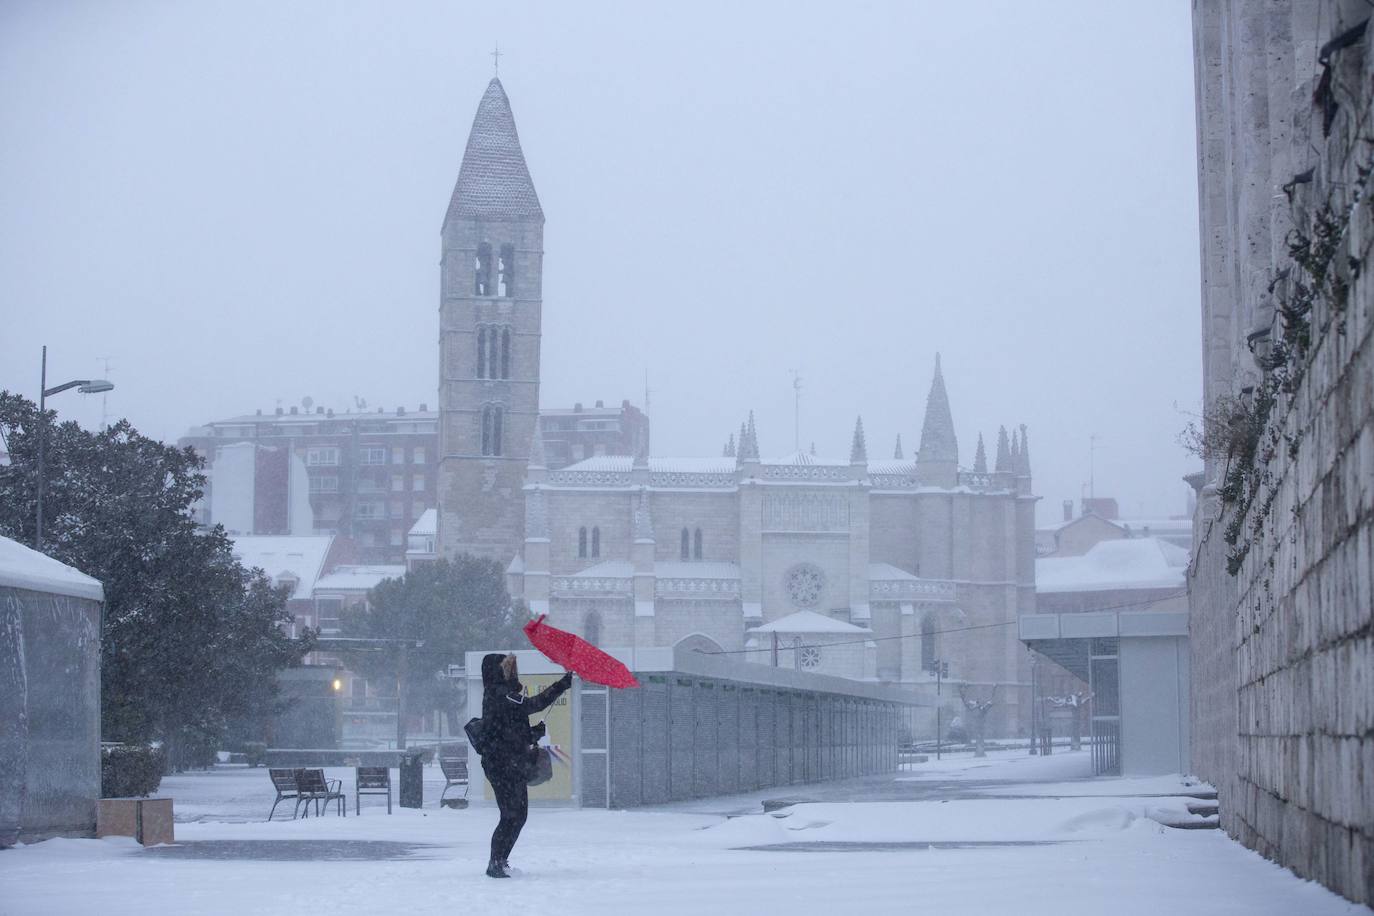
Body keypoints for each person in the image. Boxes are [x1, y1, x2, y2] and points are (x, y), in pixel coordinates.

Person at [477, 652, 573, 878]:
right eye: (507, 667)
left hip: (507, 762)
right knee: (511, 815)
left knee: (517, 815)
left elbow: (508, 733)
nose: (512, 671)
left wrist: (533, 734)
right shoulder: (500, 694)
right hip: (502, 765)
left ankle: (500, 860)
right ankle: (495, 862)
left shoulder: (500, 695)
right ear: (497, 671)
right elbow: (534, 704)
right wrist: (561, 685)